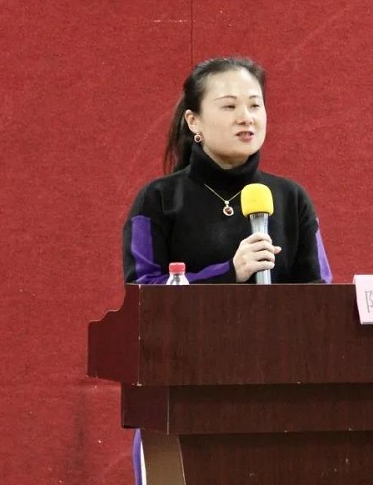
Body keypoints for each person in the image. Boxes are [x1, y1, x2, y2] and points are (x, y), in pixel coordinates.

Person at [121, 56, 332, 484]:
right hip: (183, 391)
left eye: (255, 105)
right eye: (230, 106)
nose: (246, 117)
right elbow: (144, 296)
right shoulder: (159, 200)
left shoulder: (290, 198)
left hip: (275, 392)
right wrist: (228, 273)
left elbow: (319, 295)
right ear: (194, 121)